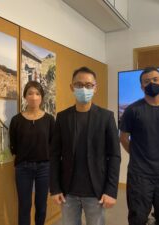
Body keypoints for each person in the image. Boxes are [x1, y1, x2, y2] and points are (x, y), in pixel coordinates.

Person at [50, 66, 121, 225]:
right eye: (79, 85)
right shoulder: (62, 117)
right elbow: (54, 155)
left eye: (89, 85)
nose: (84, 89)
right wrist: (55, 188)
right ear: (71, 87)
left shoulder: (106, 117)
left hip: (96, 191)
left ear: (95, 88)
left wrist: (111, 191)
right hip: (68, 192)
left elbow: (114, 156)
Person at [119, 67, 159, 225]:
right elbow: (123, 138)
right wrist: (137, 155)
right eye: (146, 81)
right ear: (141, 87)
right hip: (139, 176)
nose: (151, 83)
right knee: (137, 218)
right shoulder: (132, 110)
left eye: (155, 80)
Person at [9, 81, 55, 225]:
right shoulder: (16, 120)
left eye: (37, 93)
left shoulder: (49, 119)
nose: (34, 97)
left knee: (41, 206)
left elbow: (53, 144)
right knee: (24, 206)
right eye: (30, 93)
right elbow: (13, 146)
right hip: (23, 168)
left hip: (44, 168)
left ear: (41, 97)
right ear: (25, 96)